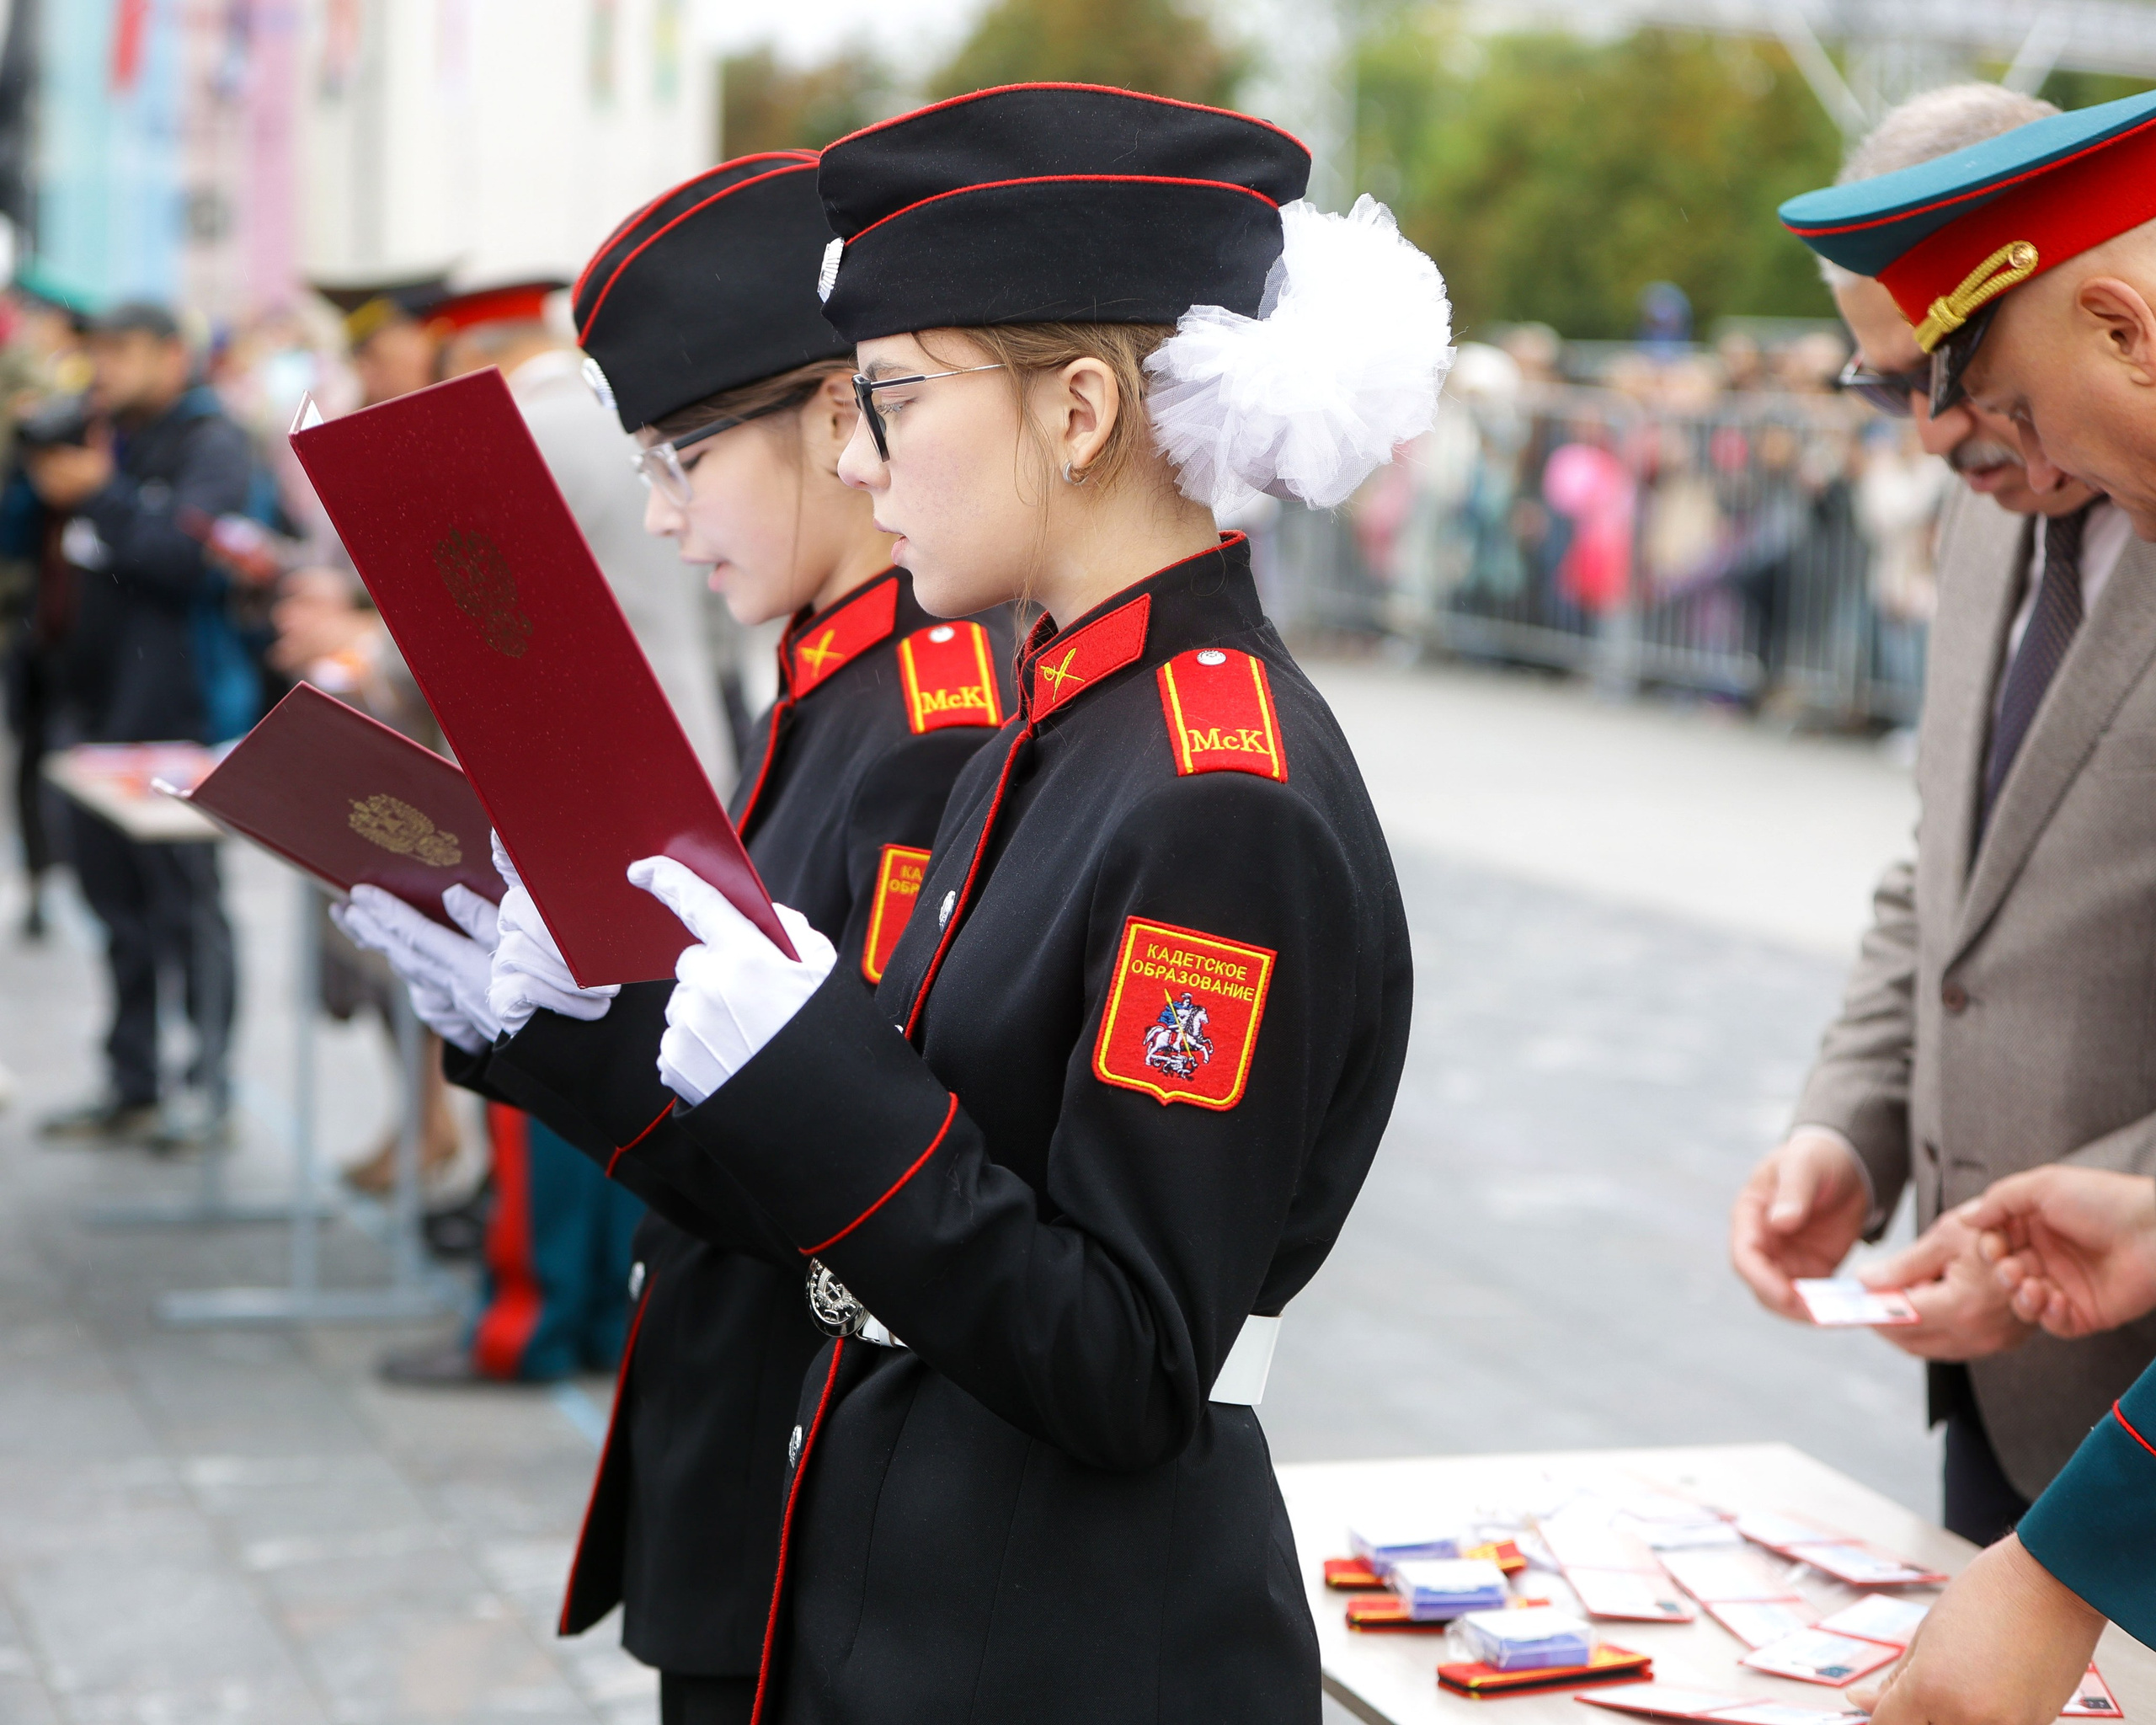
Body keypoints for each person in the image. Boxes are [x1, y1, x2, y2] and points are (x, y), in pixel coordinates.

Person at [341, 153, 1017, 1721]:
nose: (657, 515)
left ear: (838, 420)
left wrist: (560, 1032)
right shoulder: (833, 682)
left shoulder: (921, 715)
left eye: (684, 455)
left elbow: (849, 1176)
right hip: (736, 1459)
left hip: (804, 1482)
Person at [1729, 83, 2156, 1546]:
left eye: (1953, 374)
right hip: (2005, 1384)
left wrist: (2137, 1209)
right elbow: (1951, 876)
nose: (1931, 433)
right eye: (1883, 382)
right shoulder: (1995, 517)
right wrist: (1851, 1127)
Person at [28, 302, 253, 1146]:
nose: (104, 370)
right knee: (113, 907)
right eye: (97, 353)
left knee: (185, 907)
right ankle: (134, 1080)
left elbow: (187, 558)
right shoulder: (98, 435)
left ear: (172, 355)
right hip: (87, 707)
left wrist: (103, 496)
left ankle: (210, 1086)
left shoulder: (211, 443)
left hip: (177, 715)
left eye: (121, 352)